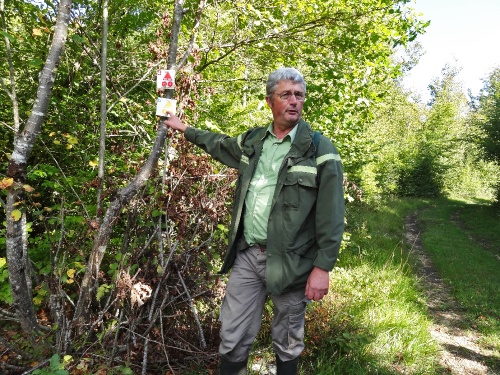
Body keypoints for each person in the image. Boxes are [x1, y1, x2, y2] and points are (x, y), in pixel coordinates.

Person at [163, 67, 344, 375]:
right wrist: (184, 128)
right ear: (269, 101)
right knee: (233, 334)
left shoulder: (318, 149)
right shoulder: (253, 142)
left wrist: (322, 267)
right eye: (285, 94)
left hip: (293, 261)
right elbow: (219, 144)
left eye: (299, 95)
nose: (294, 101)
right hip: (248, 256)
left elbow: (332, 213)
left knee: (288, 338)